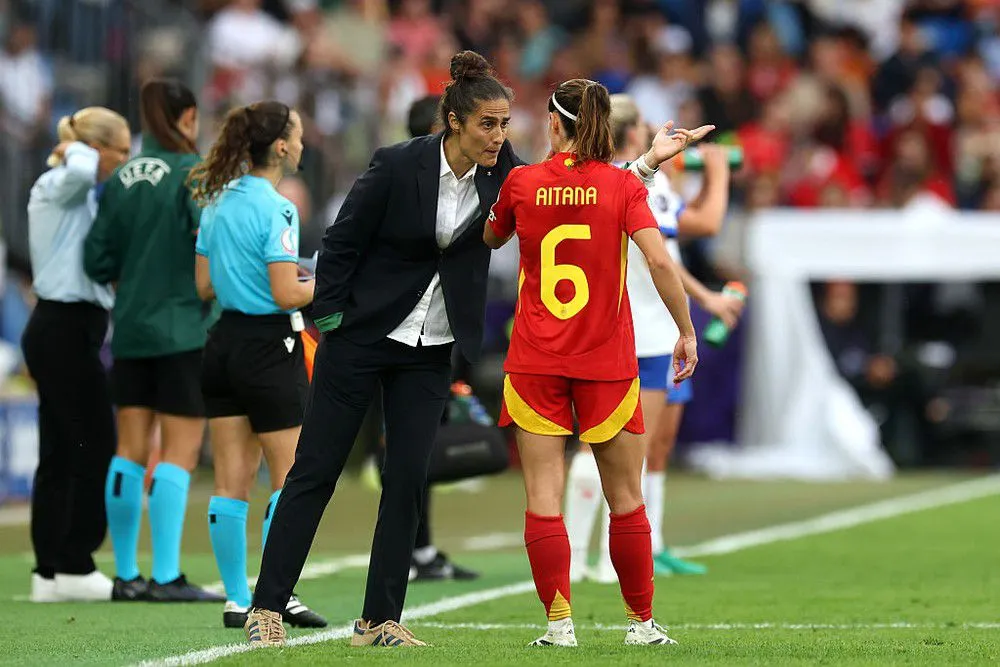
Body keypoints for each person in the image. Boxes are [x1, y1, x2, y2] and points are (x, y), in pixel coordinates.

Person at [245, 50, 709, 648]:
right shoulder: (396, 164)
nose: (499, 136)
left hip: (432, 345)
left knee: (409, 480)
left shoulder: (506, 172)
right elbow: (339, 243)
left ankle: (379, 619)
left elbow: (577, 187)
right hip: (362, 337)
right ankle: (268, 607)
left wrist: (644, 164)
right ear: (454, 121)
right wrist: (329, 319)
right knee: (315, 470)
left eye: (505, 123)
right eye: (488, 124)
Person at [483, 78, 710, 648]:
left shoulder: (522, 183)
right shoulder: (622, 187)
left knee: (542, 495)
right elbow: (658, 260)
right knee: (626, 496)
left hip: (536, 358)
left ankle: (559, 626)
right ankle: (640, 624)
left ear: (553, 125)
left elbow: (489, 237)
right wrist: (686, 330)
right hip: (607, 360)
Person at [564, 94, 742, 583]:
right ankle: (607, 560)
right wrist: (718, 169)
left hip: (594, 327)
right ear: (635, 133)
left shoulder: (586, 179)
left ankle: (577, 557)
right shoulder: (645, 183)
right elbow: (668, 251)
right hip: (648, 333)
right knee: (631, 453)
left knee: (590, 443)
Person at [84, 79, 222, 603]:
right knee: (179, 453)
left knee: (129, 450)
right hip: (183, 326)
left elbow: (96, 259)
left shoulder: (120, 178)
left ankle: (125, 575)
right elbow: (206, 243)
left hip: (131, 328)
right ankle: (165, 575)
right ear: (187, 117)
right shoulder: (193, 173)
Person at [192, 100, 327, 630]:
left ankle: (234, 598)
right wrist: (327, 282)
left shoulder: (216, 200)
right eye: (296, 134)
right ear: (279, 147)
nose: (301, 143)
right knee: (288, 477)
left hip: (222, 343)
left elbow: (203, 286)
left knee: (230, 480)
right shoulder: (278, 207)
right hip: (270, 347)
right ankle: (278, 593)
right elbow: (284, 292)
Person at [23, 107, 131, 602]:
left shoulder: (81, 195)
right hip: (61, 327)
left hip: (72, 330)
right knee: (92, 443)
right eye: (121, 149)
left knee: (63, 449)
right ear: (96, 145)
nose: (126, 160)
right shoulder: (58, 183)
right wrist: (77, 149)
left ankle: (50, 569)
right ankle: (72, 561)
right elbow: (83, 170)